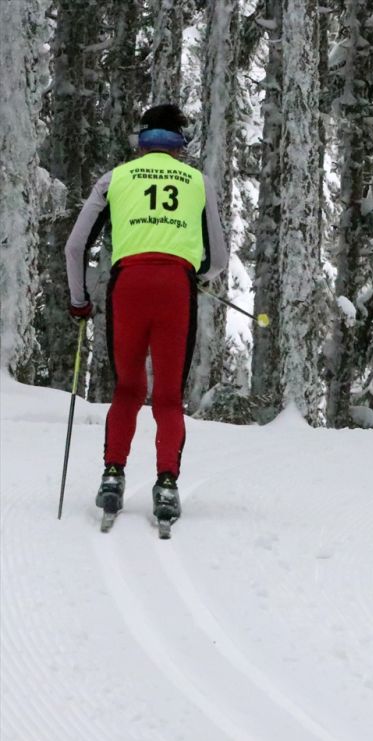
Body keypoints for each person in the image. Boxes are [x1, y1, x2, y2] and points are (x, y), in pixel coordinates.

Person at [64, 104, 228, 528]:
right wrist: (198, 275)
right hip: (174, 288)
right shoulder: (197, 181)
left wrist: (80, 301)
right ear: (180, 142)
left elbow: (75, 247)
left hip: (129, 286)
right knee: (169, 396)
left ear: (142, 139)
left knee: (128, 389)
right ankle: (167, 485)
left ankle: (113, 476)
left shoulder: (115, 178)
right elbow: (218, 258)